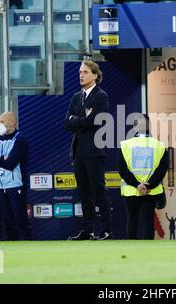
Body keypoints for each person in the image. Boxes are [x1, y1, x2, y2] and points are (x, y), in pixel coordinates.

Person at [65, 60, 113, 240]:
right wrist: (80, 120)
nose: (81, 75)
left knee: (99, 191)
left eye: (85, 72)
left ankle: (106, 230)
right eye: (80, 72)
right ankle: (88, 230)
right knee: (84, 193)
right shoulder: (76, 97)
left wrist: (76, 120)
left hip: (94, 150)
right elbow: (66, 122)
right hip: (78, 151)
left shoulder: (101, 96)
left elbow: (95, 120)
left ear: (94, 75)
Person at [118, 113, 168, 240]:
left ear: (134, 128)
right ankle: (148, 251)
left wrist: (137, 185)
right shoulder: (159, 145)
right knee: (147, 221)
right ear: (149, 127)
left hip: (131, 190)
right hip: (150, 191)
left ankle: (131, 250)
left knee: (132, 220)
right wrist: (148, 185)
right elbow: (161, 170)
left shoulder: (125, 145)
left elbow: (122, 170)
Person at [0, 112, 31, 240]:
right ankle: (11, 246)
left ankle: (26, 245)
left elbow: (10, 163)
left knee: (20, 219)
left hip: (16, 185)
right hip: (1, 185)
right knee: (8, 221)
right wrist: (3, 157)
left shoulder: (20, 139)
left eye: (3, 121)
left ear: (12, 122)